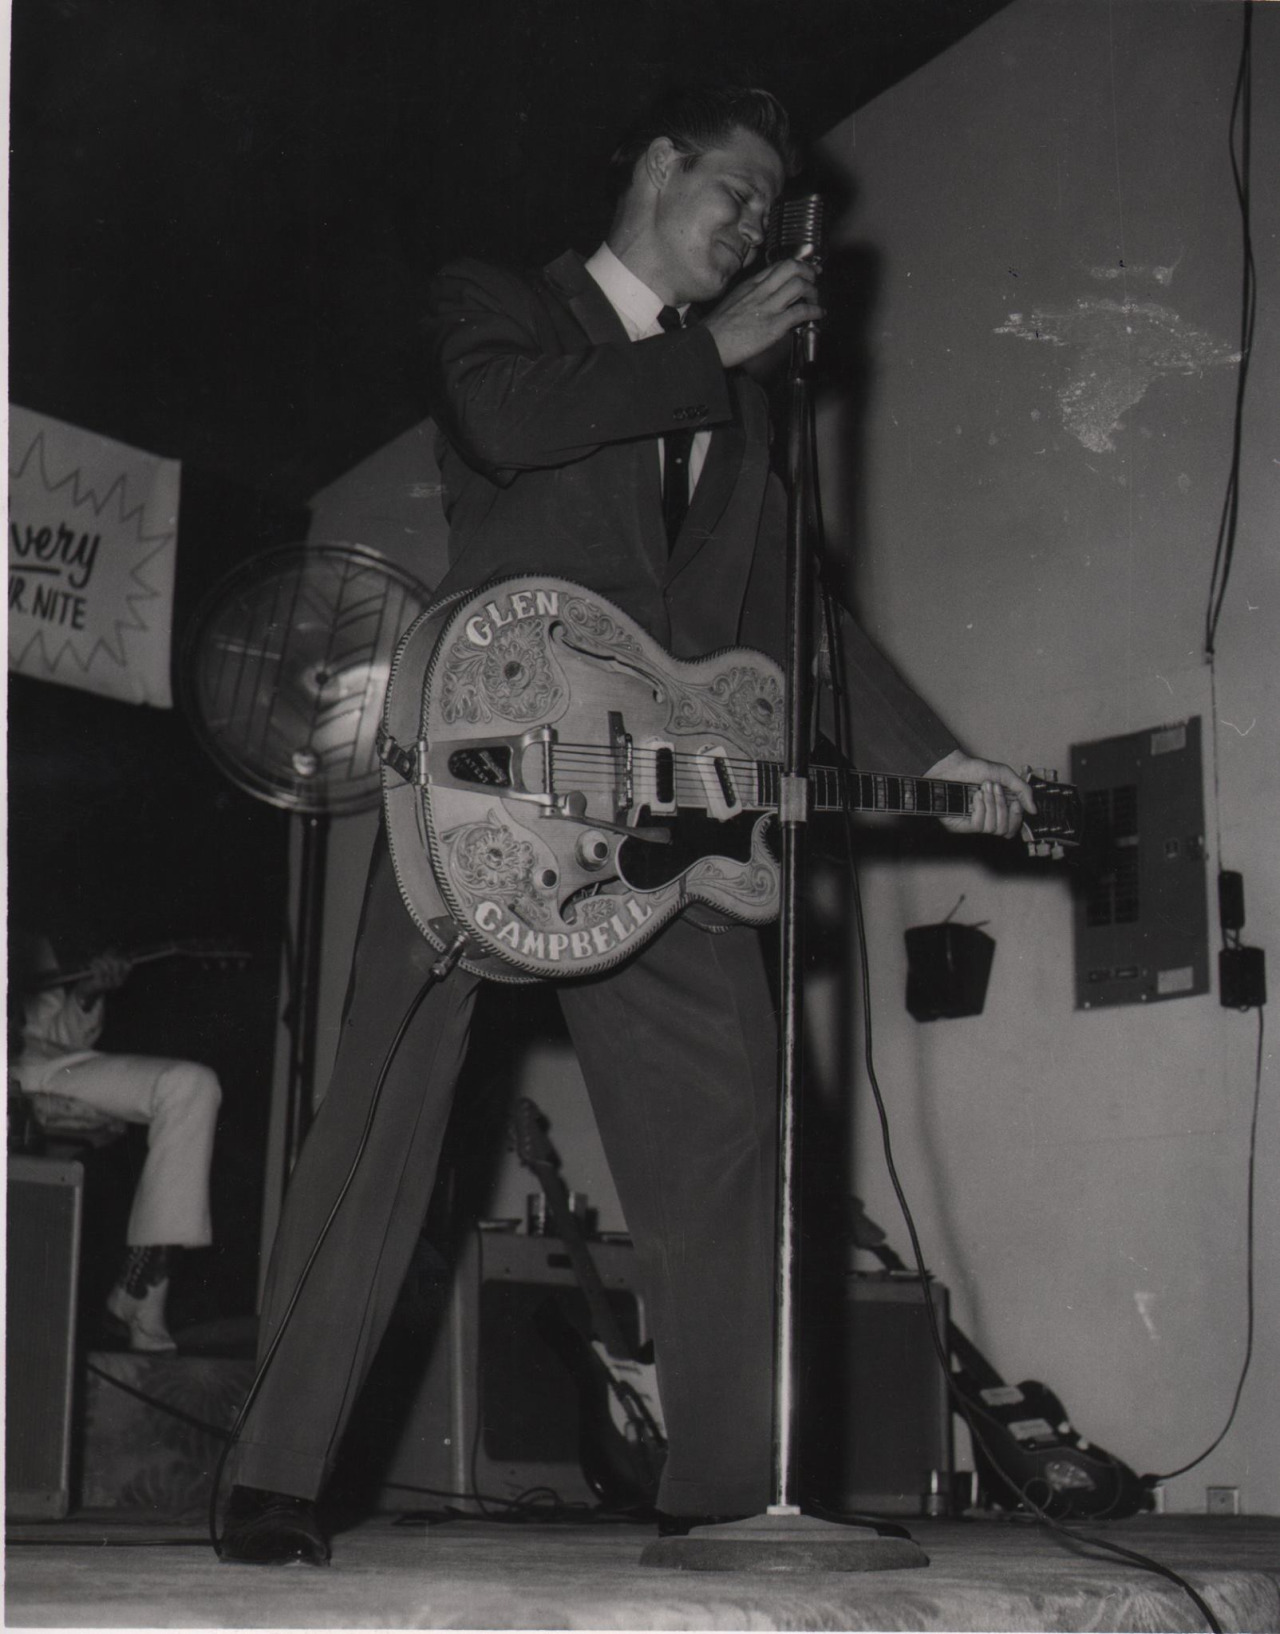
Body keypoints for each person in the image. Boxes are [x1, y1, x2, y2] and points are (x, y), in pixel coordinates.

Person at [220, 84, 1034, 1566]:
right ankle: (272, 1475)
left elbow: (808, 620)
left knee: (732, 1119)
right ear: (659, 166)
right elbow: (503, 417)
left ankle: (728, 1483)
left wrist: (950, 756)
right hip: (483, 782)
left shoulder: (746, 400)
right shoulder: (509, 307)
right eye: (737, 191)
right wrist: (703, 356)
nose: (751, 229)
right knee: (385, 1116)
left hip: (668, 821)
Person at [10, 936, 222, 1353]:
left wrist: (86, 996)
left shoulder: (26, 926)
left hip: (40, 1066)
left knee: (190, 1085)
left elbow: (56, 1035)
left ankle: (140, 1295)